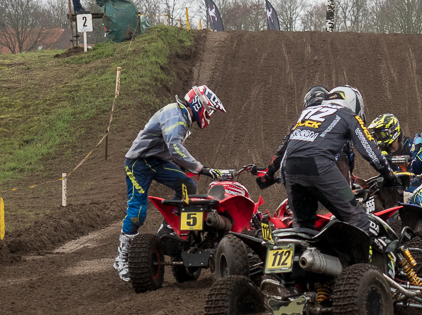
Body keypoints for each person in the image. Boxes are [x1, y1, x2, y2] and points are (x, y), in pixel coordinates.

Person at [115, 85, 231, 281]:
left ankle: (168, 228)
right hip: (138, 163)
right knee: (137, 213)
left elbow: (171, 151)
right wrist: (202, 169)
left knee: (188, 186)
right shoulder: (175, 114)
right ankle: (122, 259)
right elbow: (175, 147)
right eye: (208, 110)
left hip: (157, 161)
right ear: (198, 104)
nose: (209, 115)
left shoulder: (182, 116)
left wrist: (187, 168)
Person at [280, 85, 399, 232]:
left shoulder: (306, 113)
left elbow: (286, 153)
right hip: (318, 164)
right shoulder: (347, 114)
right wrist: (389, 176)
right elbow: (370, 151)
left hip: (290, 167)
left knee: (304, 226)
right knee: (358, 219)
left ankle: (300, 246)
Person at [257, 85, 331, 189]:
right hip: (327, 171)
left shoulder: (301, 122)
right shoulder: (336, 118)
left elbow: (283, 149)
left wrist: (269, 172)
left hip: (295, 171)